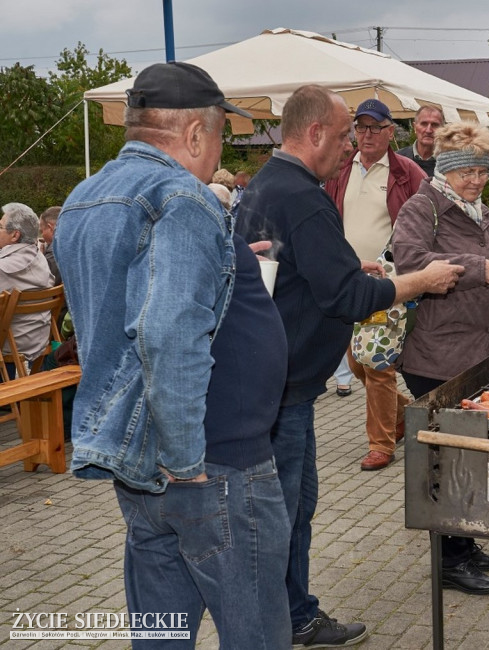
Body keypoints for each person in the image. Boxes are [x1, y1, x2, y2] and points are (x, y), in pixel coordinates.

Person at [55, 61, 292, 648]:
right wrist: (187, 463)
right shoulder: (180, 198)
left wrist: (225, 260)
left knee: (160, 635)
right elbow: (165, 335)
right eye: (219, 135)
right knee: (255, 632)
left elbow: (121, 308)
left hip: (138, 461)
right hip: (210, 464)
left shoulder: (85, 198)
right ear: (192, 134)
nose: (219, 151)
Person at [234, 84, 463, 647]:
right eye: (341, 136)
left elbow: (285, 270)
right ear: (313, 133)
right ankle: (285, 622)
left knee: (292, 508)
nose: (348, 148)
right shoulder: (304, 195)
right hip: (282, 390)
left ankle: (293, 613)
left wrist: (343, 265)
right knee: (285, 514)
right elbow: (349, 300)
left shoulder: (268, 185)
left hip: (278, 382)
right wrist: (418, 281)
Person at [393, 121, 489, 597]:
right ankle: (450, 559)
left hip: (477, 352)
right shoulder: (423, 206)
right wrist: (480, 269)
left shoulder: (481, 211)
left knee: (469, 452)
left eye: (482, 171)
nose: (475, 180)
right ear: (445, 170)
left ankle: (465, 542)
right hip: (435, 355)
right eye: (466, 171)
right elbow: (410, 262)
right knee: (449, 458)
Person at [324, 98, 428, 472]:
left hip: (387, 279)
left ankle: (380, 444)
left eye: (375, 127)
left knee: (378, 363)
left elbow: (428, 215)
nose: (366, 135)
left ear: (390, 132)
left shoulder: (407, 171)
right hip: (346, 276)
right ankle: (408, 414)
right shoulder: (339, 167)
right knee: (357, 363)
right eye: (361, 127)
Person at [0, 203, 56, 371]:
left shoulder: (4, 269)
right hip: (37, 346)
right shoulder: (41, 260)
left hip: (9, 351)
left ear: (15, 235)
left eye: (0, 227)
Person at [396, 105, 444, 177]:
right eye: (424, 124)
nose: (428, 130)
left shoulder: (450, 163)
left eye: (434, 125)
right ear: (414, 127)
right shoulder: (397, 159)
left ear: (443, 129)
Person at [38, 205, 61, 285]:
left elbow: (44, 281)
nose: (42, 236)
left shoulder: (55, 250)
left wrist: (40, 257)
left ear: (50, 227)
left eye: (41, 231)